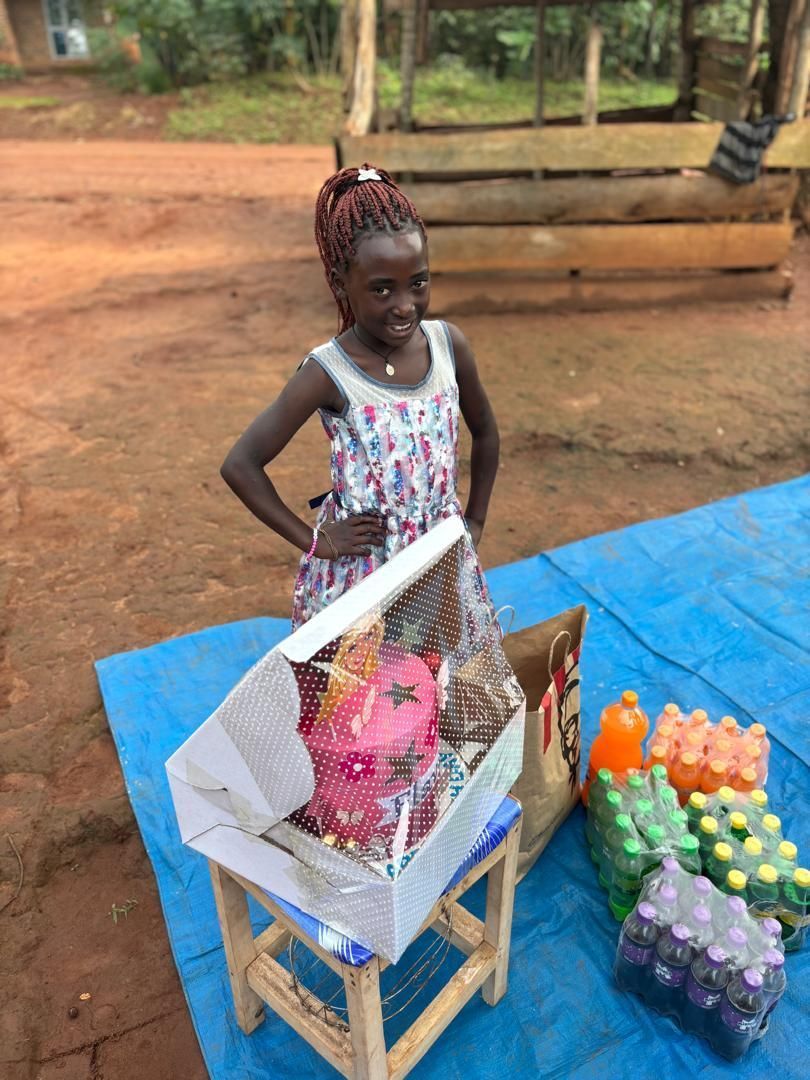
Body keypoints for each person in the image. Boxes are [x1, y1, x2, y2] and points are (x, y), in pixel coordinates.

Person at [221, 164, 500, 630]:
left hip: (440, 561)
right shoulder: (328, 372)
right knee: (362, 693)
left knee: (438, 682)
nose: (404, 305)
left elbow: (486, 433)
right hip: (362, 574)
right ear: (339, 283)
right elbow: (241, 464)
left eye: (418, 282)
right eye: (381, 289)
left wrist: (475, 522)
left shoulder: (449, 345)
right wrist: (317, 542)